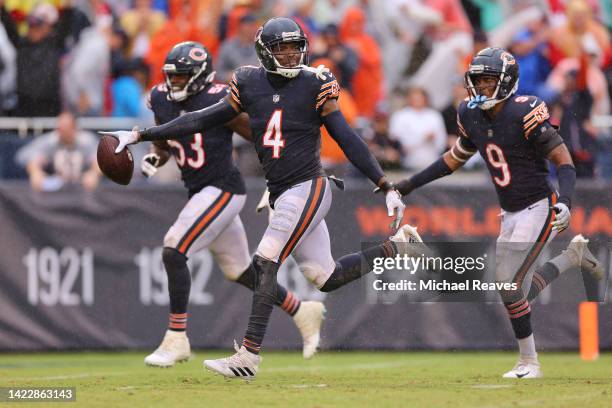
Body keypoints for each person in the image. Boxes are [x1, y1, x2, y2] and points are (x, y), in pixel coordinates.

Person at [102, 17, 419, 380]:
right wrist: (142, 134)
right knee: (324, 276)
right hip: (283, 190)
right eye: (280, 48)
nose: (289, 54)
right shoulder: (248, 82)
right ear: (265, 51)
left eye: (294, 46)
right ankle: (397, 247)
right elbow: (201, 119)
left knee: (264, 259)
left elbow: (346, 135)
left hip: (309, 186)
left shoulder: (316, 82)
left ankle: (249, 356)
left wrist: (385, 183)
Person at [393, 47, 604, 378]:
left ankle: (529, 362)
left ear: (507, 83)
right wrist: (406, 184)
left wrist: (566, 201)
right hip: (511, 211)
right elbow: (453, 159)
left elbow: (564, 160)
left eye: (489, 82)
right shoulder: (470, 113)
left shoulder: (525, 111)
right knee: (512, 290)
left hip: (540, 206)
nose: (482, 88)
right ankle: (571, 258)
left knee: (508, 286)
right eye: (478, 81)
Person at [140, 41, 326, 367]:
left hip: (222, 189)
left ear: (199, 76)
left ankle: (176, 338)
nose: (176, 83)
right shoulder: (160, 97)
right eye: (173, 76)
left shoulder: (219, 98)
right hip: (199, 191)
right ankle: (301, 309)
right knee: (240, 271)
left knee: (173, 248)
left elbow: (262, 134)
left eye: (183, 77)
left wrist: (278, 178)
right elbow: (165, 138)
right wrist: (155, 157)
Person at [16, 111, 100, 191]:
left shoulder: (86, 141)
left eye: (66, 129)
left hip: (83, 189)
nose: (61, 133)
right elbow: (25, 156)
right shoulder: (51, 141)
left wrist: (94, 173)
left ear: (74, 128)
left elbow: (101, 159)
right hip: (55, 191)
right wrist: (35, 171)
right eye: (60, 129)